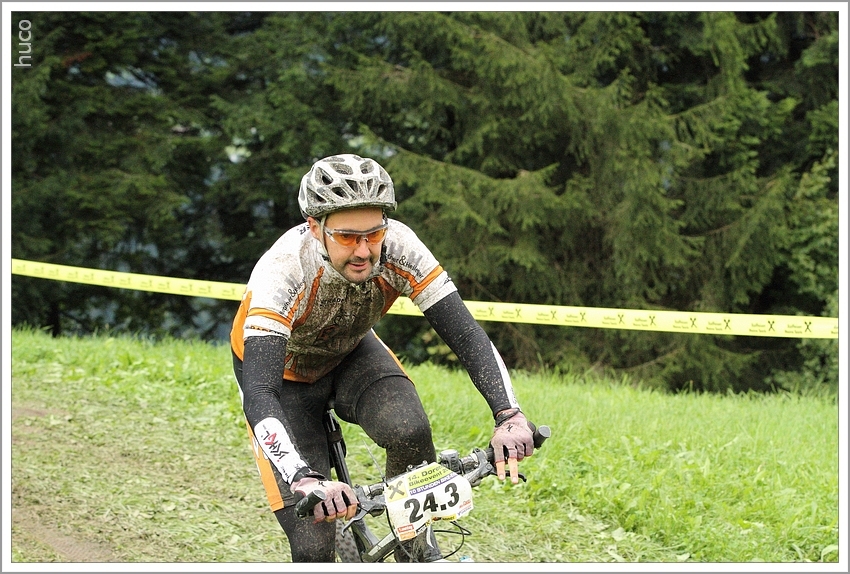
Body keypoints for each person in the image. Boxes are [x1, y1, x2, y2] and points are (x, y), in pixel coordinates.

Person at [230, 153, 536, 562]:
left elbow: (467, 335)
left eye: (373, 234)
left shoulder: (401, 247)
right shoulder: (283, 270)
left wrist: (509, 415)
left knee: (410, 429)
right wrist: (303, 478)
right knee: (312, 547)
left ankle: (415, 550)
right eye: (346, 237)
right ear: (315, 227)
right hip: (282, 378)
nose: (363, 251)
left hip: (350, 351)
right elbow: (260, 394)